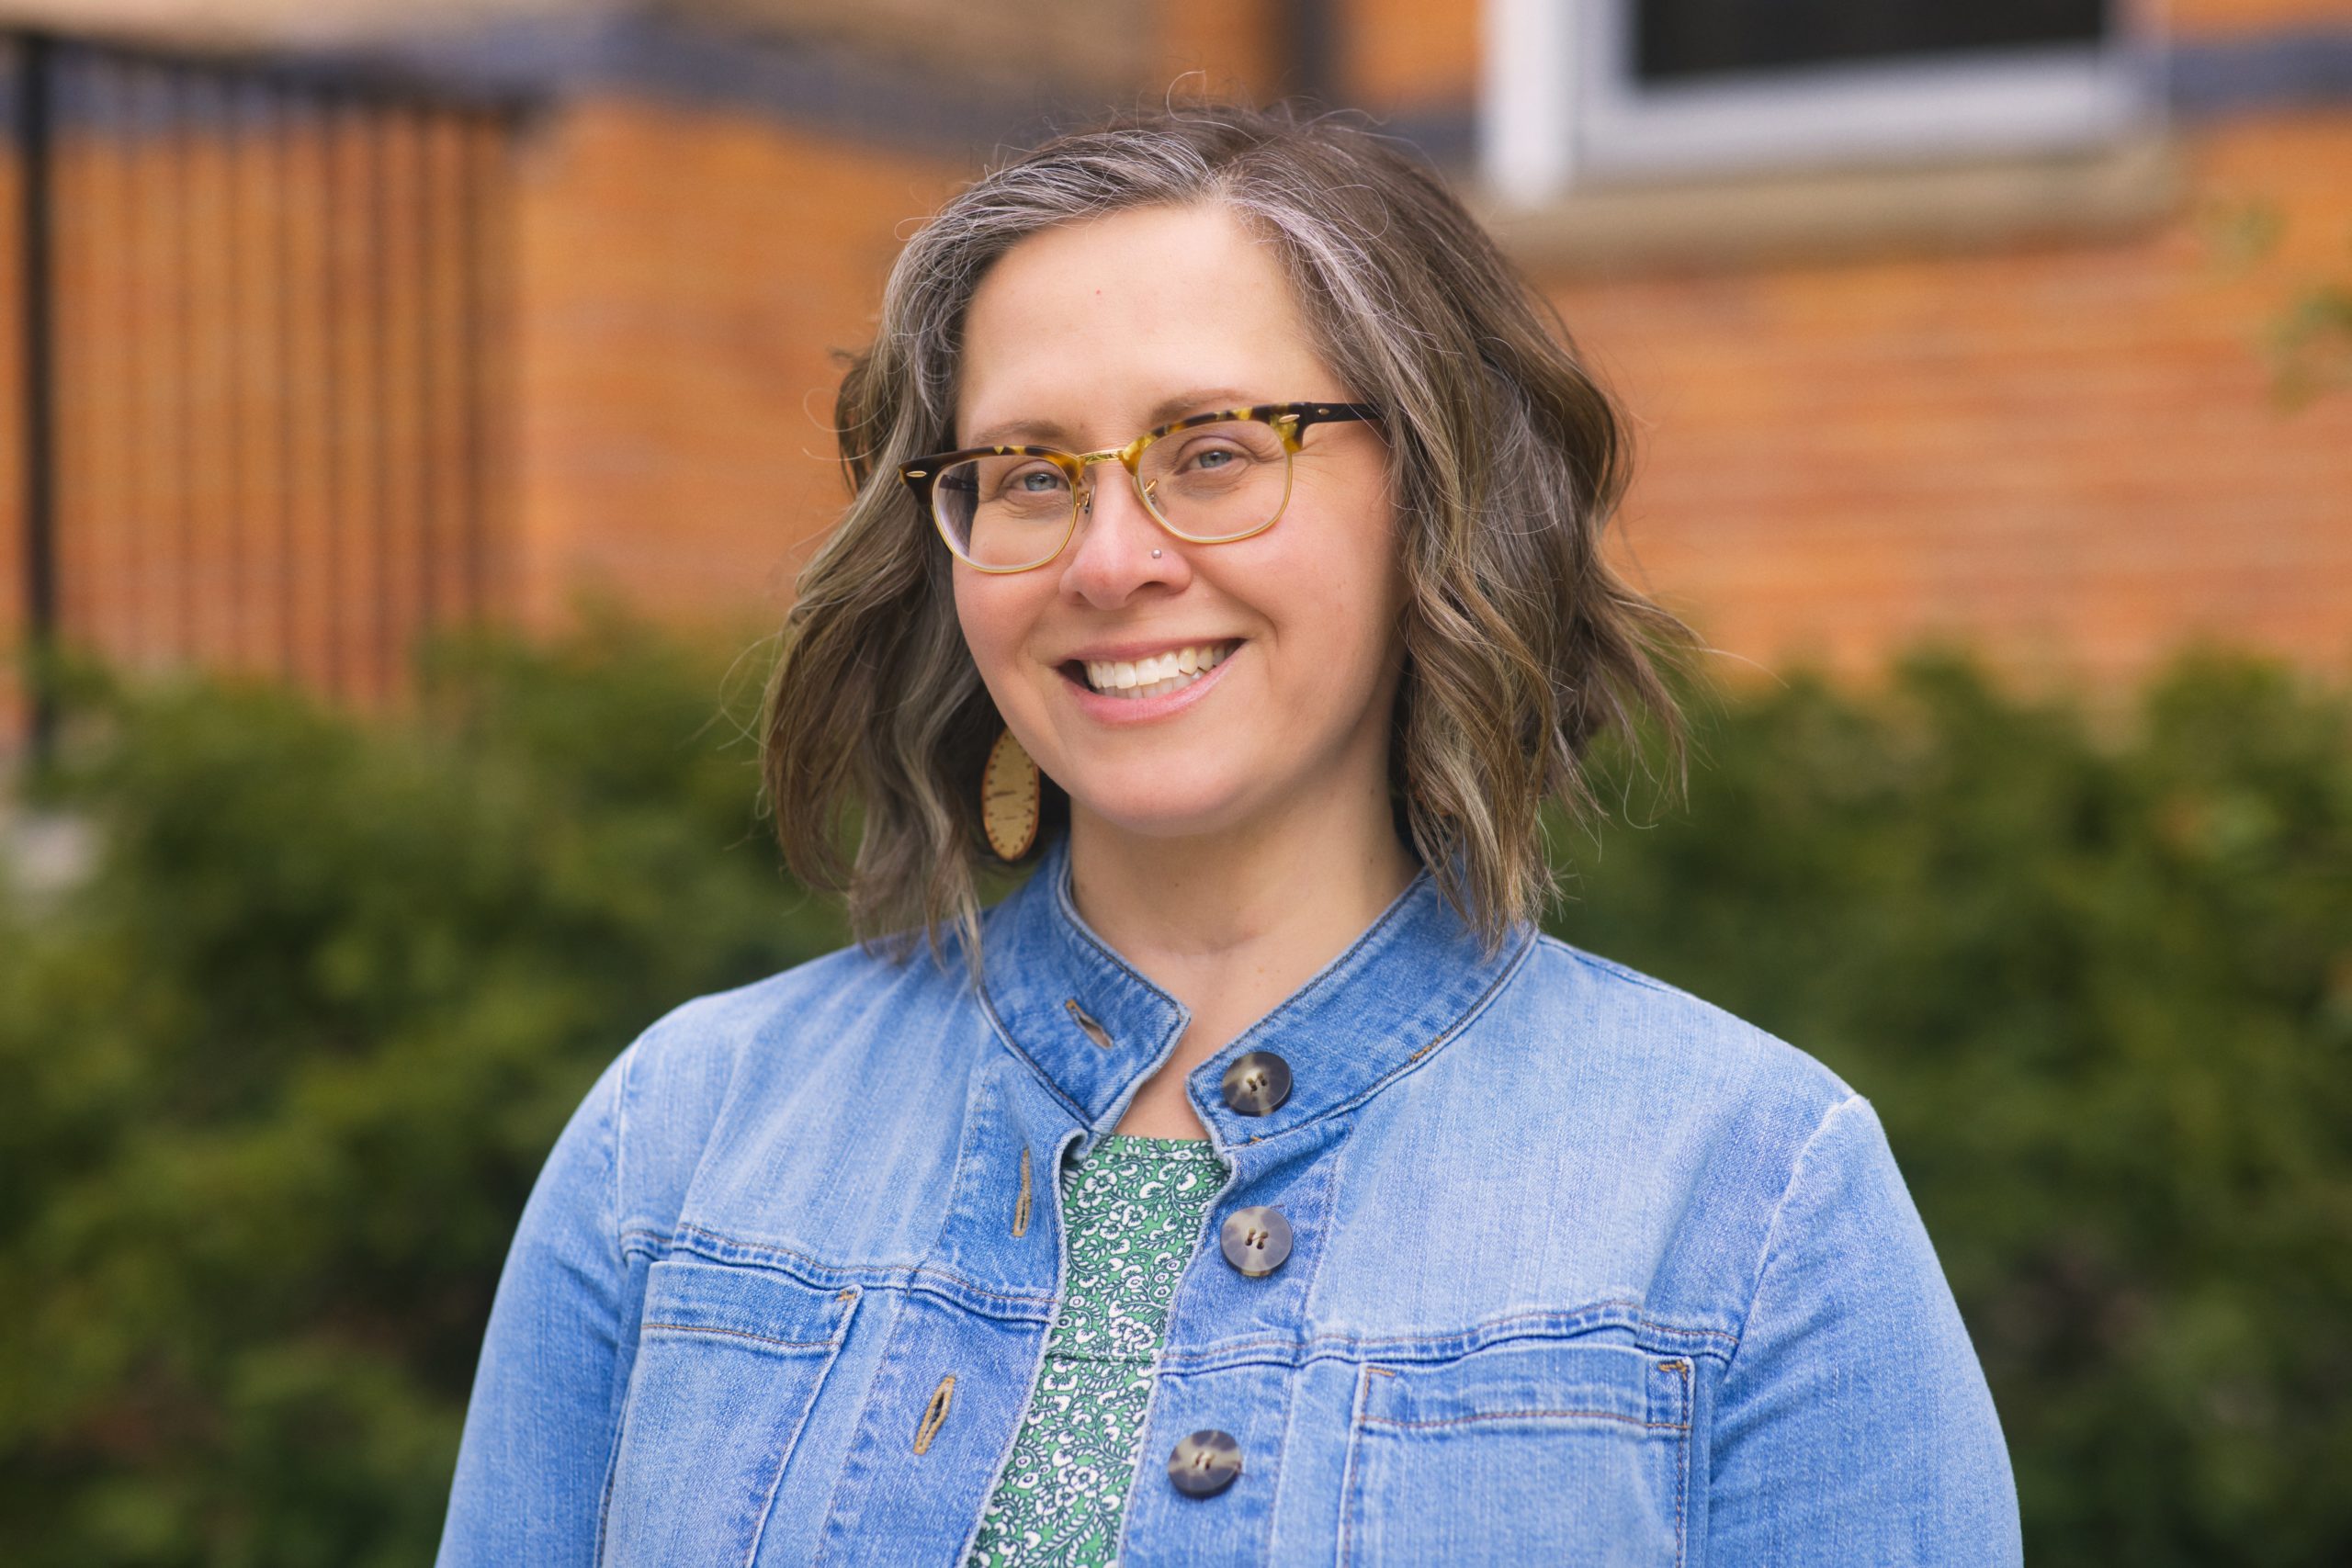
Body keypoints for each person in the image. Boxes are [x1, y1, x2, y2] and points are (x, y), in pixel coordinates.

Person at [435, 102, 2020, 1566]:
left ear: (1434, 498)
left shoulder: (1747, 1197)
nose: (1111, 559)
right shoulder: (681, 1145)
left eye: (1211, 453)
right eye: (1029, 473)